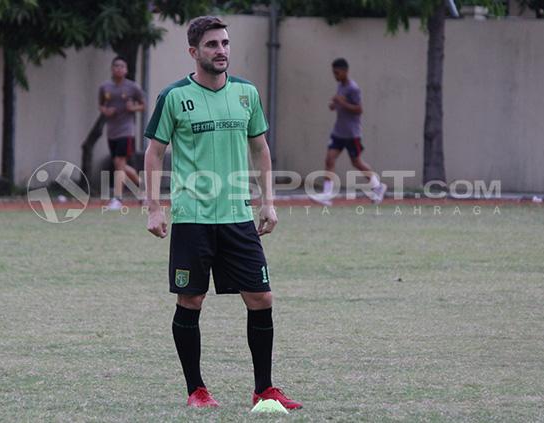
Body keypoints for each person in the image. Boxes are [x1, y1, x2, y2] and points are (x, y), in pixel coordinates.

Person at [143, 16, 302, 410]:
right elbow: (154, 153)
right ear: (194, 52)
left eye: (226, 43)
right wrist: (153, 207)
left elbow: (261, 149)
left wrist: (268, 201)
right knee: (191, 301)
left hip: (237, 216)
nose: (222, 51)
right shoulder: (174, 97)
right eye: (212, 45)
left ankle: (264, 389)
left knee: (262, 297)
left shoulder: (246, 93)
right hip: (193, 218)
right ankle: (196, 391)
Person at [312, 57, 386, 206]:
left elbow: (359, 109)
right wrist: (334, 105)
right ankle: (327, 194)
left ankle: (378, 186)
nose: (335, 76)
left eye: (337, 73)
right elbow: (340, 103)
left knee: (357, 162)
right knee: (329, 159)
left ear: (345, 71)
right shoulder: (340, 86)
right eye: (333, 73)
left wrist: (341, 102)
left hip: (352, 134)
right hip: (338, 132)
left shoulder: (353, 88)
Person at [98, 56, 145, 210]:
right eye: (116, 66)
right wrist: (105, 110)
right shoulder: (105, 87)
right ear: (112, 69)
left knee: (119, 164)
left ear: (126, 70)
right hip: (112, 132)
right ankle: (143, 189)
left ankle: (117, 199)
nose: (119, 69)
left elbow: (143, 105)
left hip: (126, 131)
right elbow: (101, 105)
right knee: (120, 164)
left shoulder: (133, 87)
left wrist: (133, 108)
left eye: (122, 66)